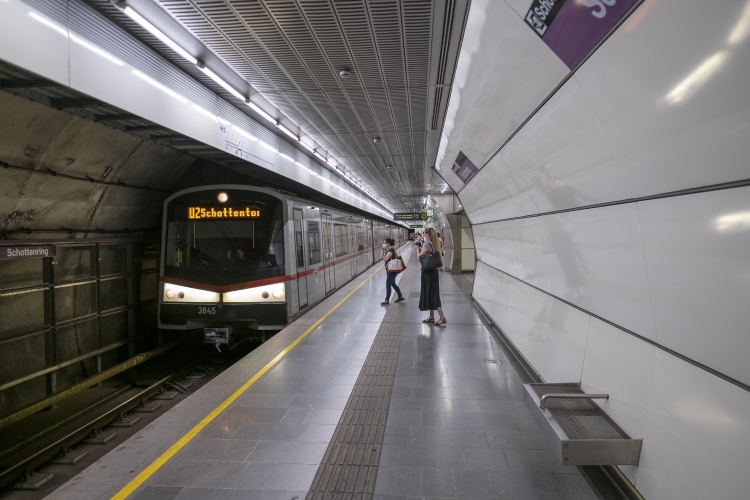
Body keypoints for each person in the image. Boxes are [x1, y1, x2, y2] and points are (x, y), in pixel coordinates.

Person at [416, 228, 446, 325]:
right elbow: (428, 255)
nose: (424, 235)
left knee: (433, 295)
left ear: (427, 234)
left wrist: (417, 250)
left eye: (424, 234)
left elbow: (419, 258)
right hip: (433, 272)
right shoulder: (434, 244)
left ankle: (442, 317)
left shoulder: (426, 244)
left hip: (427, 273)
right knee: (431, 293)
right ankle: (432, 317)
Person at [381, 238, 404, 305]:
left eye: (384, 243)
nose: (384, 244)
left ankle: (387, 300)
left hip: (392, 270)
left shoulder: (391, 250)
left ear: (388, 243)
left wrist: (383, 256)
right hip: (389, 269)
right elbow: (380, 258)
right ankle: (400, 296)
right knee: (393, 284)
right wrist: (382, 251)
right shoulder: (388, 250)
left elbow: (385, 259)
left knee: (388, 284)